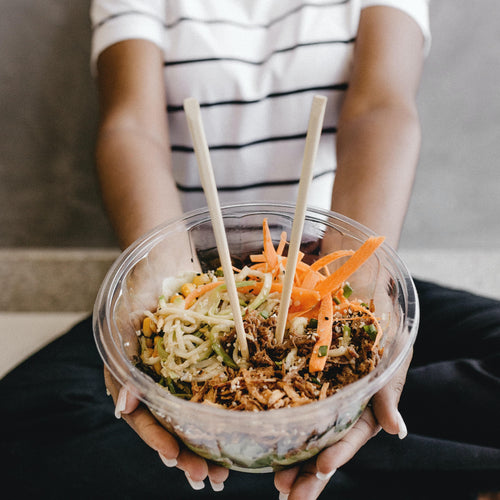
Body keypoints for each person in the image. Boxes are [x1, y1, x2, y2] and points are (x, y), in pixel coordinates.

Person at [1, 1, 498, 499]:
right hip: (192, 282)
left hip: (327, 282)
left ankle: (338, 460)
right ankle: (422, 472)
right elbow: (132, 126)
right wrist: (161, 269)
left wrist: (362, 275)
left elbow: (380, 109)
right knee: (24, 423)